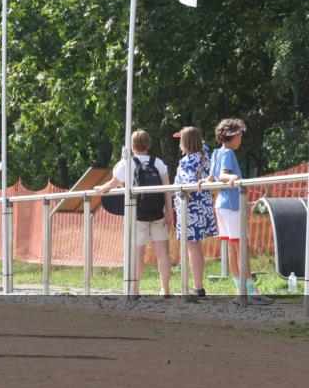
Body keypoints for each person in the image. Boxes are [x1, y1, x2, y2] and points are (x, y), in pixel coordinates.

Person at [93, 130, 174, 296]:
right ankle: (165, 289)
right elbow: (167, 189)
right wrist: (169, 211)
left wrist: (100, 189)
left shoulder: (127, 163)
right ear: (148, 144)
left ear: (132, 146)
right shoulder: (158, 163)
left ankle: (135, 289)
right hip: (159, 212)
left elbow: (112, 184)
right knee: (163, 252)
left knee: (138, 252)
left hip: (137, 214)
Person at [208, 118, 271, 304]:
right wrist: (233, 176)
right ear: (234, 136)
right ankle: (251, 291)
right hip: (232, 205)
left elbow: (211, 177)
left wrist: (205, 181)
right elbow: (222, 175)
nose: (241, 139)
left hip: (221, 204)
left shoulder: (216, 153)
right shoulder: (228, 153)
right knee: (241, 248)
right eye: (240, 136)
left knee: (233, 248)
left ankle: (241, 290)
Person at [172, 127, 218, 297]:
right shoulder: (206, 157)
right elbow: (203, 145)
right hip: (204, 206)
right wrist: (189, 134)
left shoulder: (186, 161)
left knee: (193, 246)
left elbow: (189, 182)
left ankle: (197, 286)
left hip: (191, 208)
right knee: (197, 246)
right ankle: (198, 285)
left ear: (185, 143)